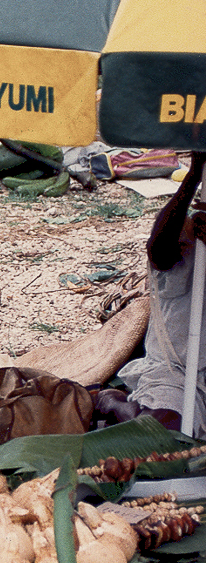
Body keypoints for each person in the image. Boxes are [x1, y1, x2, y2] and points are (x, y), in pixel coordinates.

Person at [99, 152, 206, 435]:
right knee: (163, 431)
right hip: (178, 373)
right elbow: (158, 250)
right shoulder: (191, 238)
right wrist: (193, 177)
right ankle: (114, 402)